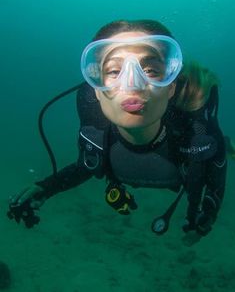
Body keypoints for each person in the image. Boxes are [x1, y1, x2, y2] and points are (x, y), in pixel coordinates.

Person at [8, 19, 228, 238]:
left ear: (171, 87)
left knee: (220, 145)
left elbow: (214, 174)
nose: (132, 84)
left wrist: (205, 218)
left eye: (150, 70)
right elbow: (87, 165)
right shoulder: (96, 126)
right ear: (95, 89)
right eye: (114, 71)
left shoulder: (194, 132)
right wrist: (46, 188)